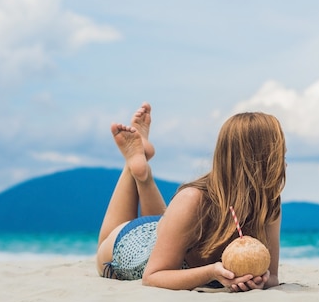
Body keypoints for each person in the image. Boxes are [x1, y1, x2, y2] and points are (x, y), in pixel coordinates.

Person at [96, 102, 286, 292]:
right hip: (135, 244)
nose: (284, 164)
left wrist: (261, 281)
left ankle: (141, 169)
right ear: (260, 161)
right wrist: (211, 272)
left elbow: (272, 276)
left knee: (165, 228)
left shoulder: (268, 206)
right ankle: (134, 168)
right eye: (279, 157)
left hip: (170, 235)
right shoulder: (192, 199)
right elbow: (151, 277)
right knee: (103, 247)